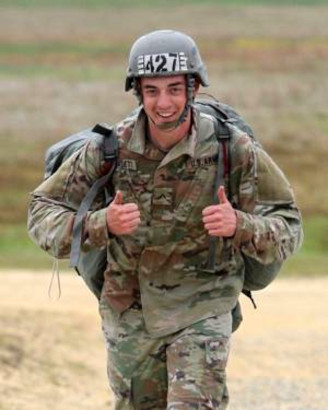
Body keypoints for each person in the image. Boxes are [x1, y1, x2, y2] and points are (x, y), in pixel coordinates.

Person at [28, 30, 303, 409]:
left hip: (204, 305)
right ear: (137, 92)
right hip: (130, 312)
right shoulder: (109, 149)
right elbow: (42, 210)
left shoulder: (231, 147)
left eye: (175, 89)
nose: (164, 103)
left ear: (193, 89)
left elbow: (288, 226)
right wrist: (100, 223)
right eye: (152, 90)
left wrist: (241, 225)